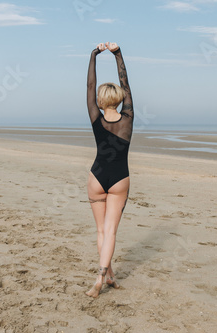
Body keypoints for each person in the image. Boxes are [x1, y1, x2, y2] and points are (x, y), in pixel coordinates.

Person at [85, 42, 133, 298]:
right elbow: (126, 85)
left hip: (96, 177)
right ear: (120, 99)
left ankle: (109, 276)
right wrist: (118, 55)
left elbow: (90, 87)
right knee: (111, 231)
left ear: (101, 101)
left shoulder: (95, 116)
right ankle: (101, 276)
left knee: (101, 231)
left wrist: (94, 55)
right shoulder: (128, 118)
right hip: (119, 180)